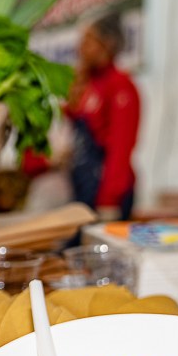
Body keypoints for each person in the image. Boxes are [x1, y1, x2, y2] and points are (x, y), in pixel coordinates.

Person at [64, 13, 141, 221]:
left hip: (106, 191)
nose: (80, 48)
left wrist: (109, 199)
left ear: (107, 44)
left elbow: (120, 148)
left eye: (88, 40)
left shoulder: (120, 86)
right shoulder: (85, 84)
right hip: (82, 185)